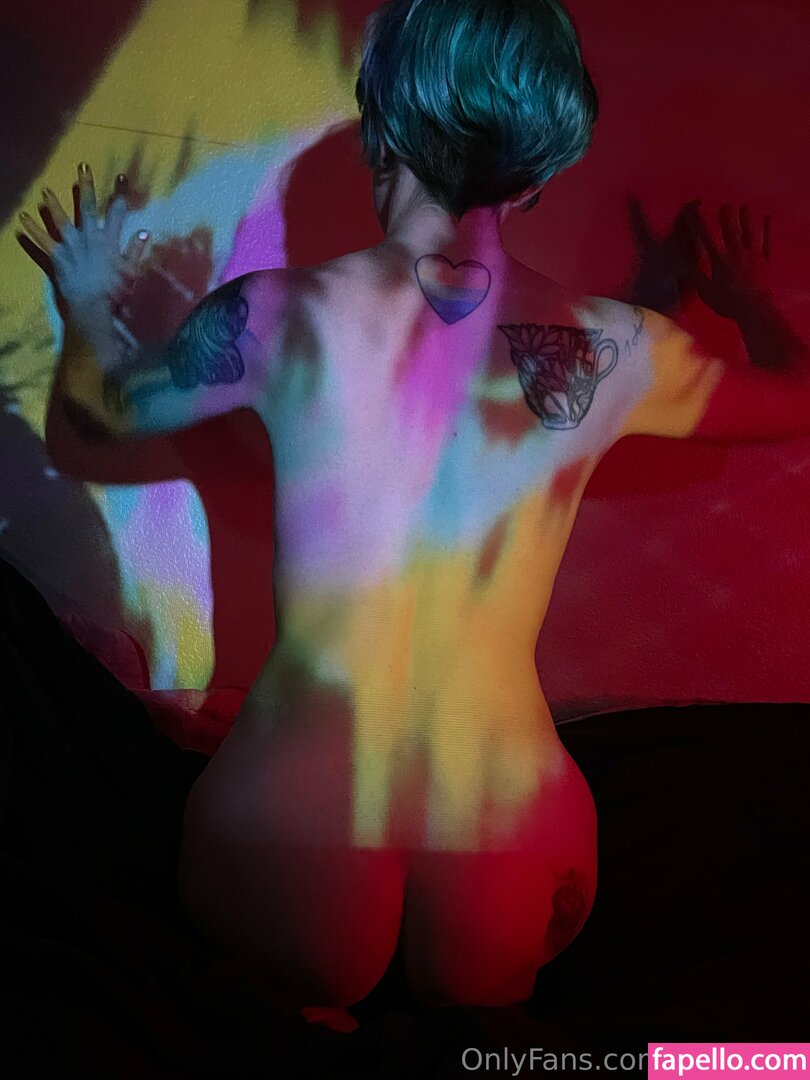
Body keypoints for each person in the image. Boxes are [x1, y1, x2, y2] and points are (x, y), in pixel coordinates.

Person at [18, 0, 805, 1013]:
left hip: (293, 854)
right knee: (492, 998)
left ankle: (318, 1005)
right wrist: (744, 298)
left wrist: (90, 301)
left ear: (383, 133)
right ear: (538, 174)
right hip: (515, 864)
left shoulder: (277, 315)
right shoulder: (620, 352)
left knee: (293, 1000)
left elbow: (102, 408)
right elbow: (796, 399)